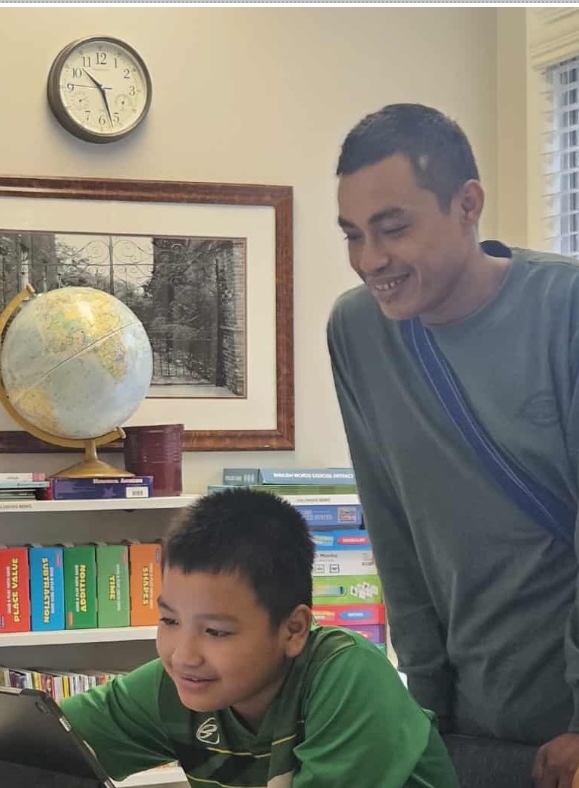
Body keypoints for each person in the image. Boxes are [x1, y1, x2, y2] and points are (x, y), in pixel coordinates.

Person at [327, 102, 579, 788]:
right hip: (474, 721)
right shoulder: (358, 332)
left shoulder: (565, 311)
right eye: (353, 235)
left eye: (393, 228)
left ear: (468, 204)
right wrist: (425, 712)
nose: (370, 260)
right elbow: (393, 527)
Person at [60, 487, 458, 787]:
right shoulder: (175, 684)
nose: (183, 655)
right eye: (169, 621)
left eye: (215, 631)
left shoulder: (349, 675)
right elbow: (36, 747)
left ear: (293, 629)